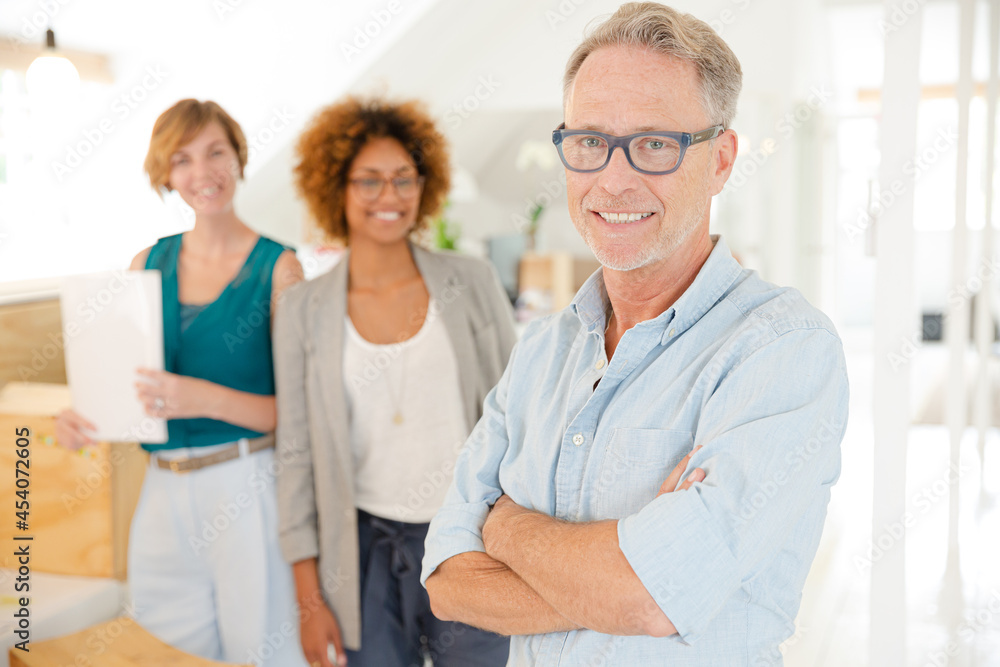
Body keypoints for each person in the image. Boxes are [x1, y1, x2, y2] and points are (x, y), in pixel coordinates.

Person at [421, 3, 850, 666]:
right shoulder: (541, 351)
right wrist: (626, 576)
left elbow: (649, 598)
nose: (614, 180)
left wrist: (504, 526)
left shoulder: (783, 350)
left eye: (654, 143)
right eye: (590, 141)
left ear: (721, 159)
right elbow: (449, 584)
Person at [56, 99, 307, 666]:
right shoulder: (147, 263)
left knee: (260, 652)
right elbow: (129, 391)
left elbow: (296, 413)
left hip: (246, 486)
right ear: (166, 174)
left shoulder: (280, 268)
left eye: (216, 152)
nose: (202, 172)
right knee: (164, 651)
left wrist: (202, 398)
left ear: (239, 157)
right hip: (162, 491)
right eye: (182, 159)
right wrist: (84, 418)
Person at [274, 97, 514, 667]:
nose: (390, 195)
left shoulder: (472, 282)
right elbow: (295, 454)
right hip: (362, 555)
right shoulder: (304, 309)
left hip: (471, 539)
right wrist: (309, 599)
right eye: (369, 180)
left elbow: (520, 417)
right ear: (336, 188)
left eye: (404, 178)